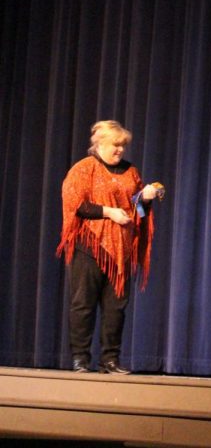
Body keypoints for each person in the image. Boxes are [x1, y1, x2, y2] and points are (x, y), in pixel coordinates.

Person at [57, 120, 162, 374]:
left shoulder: (130, 171)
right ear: (99, 143)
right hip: (89, 246)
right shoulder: (84, 169)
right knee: (83, 304)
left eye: (123, 146)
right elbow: (76, 205)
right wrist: (109, 212)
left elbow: (137, 211)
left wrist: (145, 200)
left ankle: (110, 360)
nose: (120, 151)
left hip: (120, 250)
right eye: (115, 145)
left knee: (116, 307)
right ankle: (80, 359)